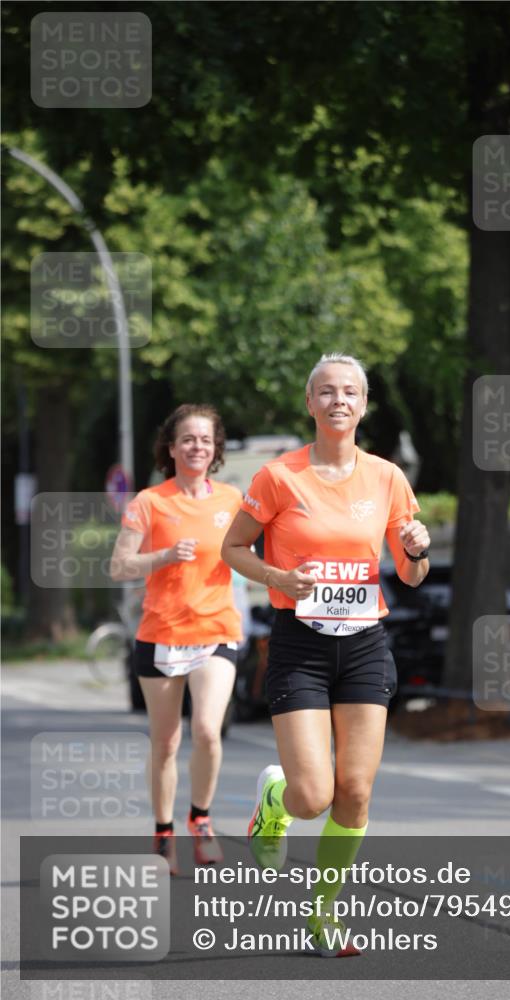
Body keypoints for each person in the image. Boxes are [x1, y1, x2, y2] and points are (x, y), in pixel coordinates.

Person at [222, 353, 430, 955]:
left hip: (365, 644)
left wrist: (415, 549)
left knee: (356, 792)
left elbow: (411, 574)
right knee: (313, 795)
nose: (339, 400)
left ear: (363, 406)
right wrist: (277, 577)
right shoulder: (278, 476)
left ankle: (324, 913)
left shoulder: (388, 477)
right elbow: (232, 548)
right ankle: (273, 800)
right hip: (300, 647)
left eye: (351, 392)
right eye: (327, 392)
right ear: (310, 404)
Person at [111, 404, 242, 872]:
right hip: (161, 632)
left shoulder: (232, 500)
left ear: (216, 449)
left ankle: (200, 819)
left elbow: (253, 549)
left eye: (206, 440)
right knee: (166, 742)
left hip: (216, 630)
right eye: (188, 439)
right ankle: (163, 831)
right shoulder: (149, 502)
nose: (197, 447)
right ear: (171, 447)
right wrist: (164, 555)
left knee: (208, 730)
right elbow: (119, 565)